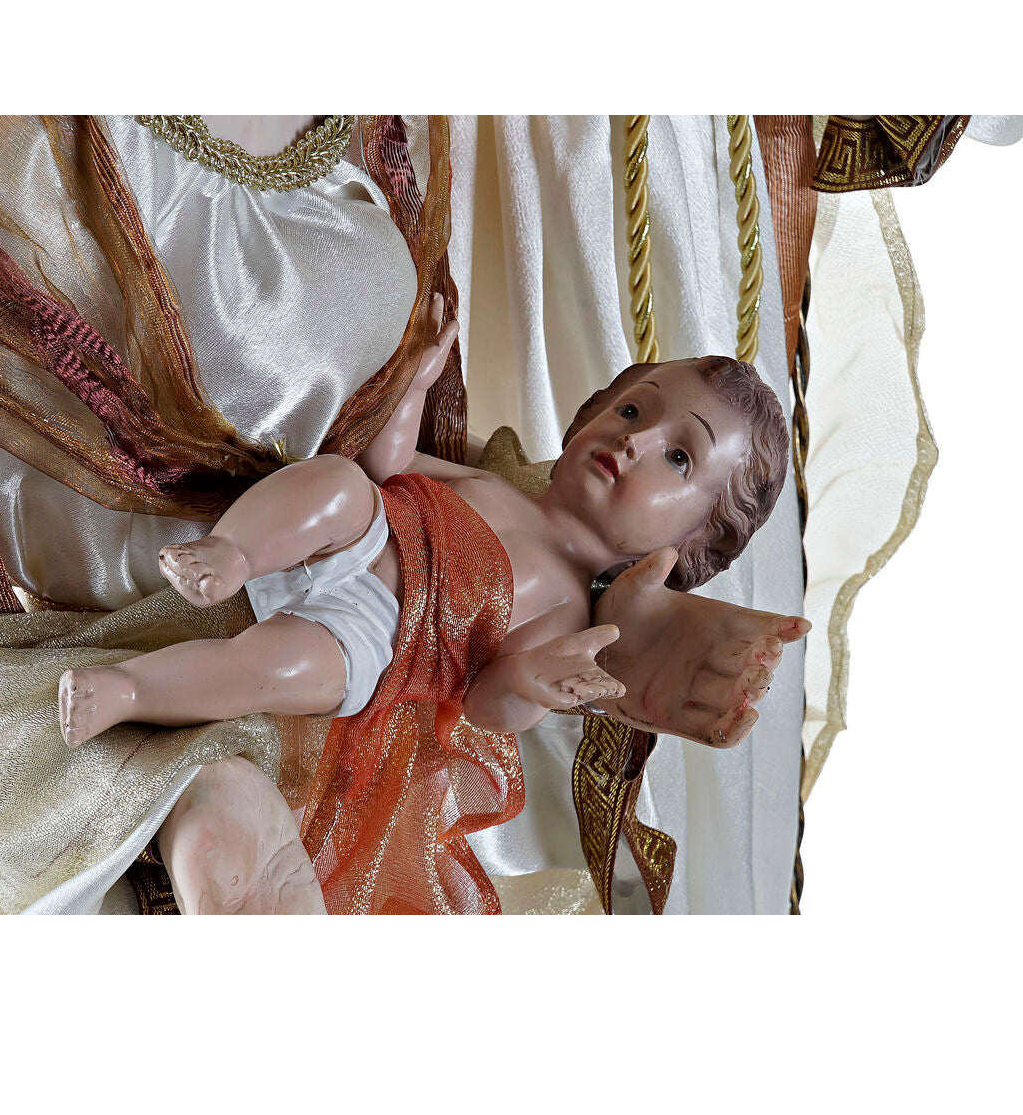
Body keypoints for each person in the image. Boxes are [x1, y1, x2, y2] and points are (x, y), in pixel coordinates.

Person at [58, 295, 809, 914]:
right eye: (633, 411)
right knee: (339, 484)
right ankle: (232, 554)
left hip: (377, 637)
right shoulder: (495, 485)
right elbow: (390, 463)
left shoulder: (566, 614)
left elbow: (485, 703)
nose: (635, 441)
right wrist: (415, 387)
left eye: (679, 457)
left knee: (288, 668)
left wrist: (533, 684)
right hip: (364, 533)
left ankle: (130, 690)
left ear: (689, 542)